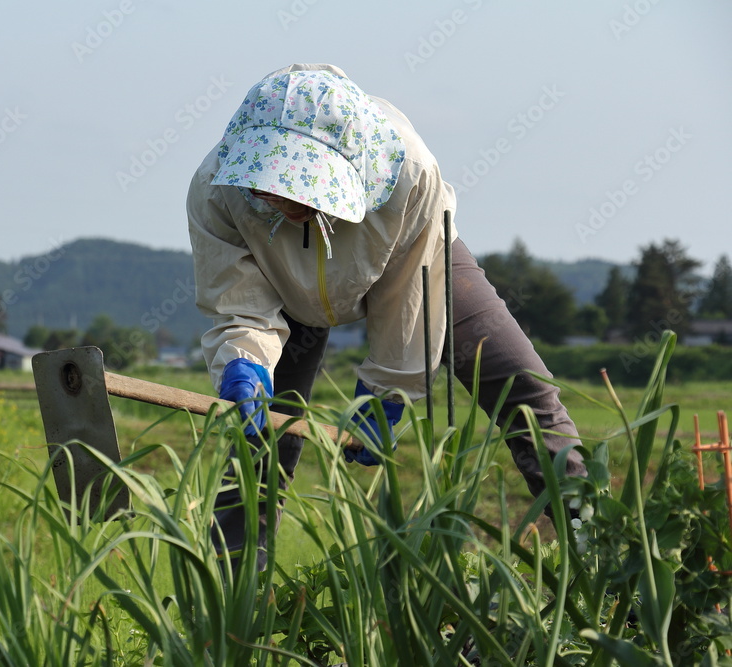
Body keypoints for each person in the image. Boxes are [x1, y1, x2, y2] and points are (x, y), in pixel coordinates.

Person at [187, 63, 587, 571]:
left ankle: (600, 555)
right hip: (280, 286)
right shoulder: (216, 189)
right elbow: (236, 299)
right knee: (259, 433)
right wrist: (243, 362)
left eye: (299, 185)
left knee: (523, 388)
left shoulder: (408, 173)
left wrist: (386, 395)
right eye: (272, 184)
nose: (284, 199)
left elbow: (411, 295)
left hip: (405, 259)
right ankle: (233, 597)